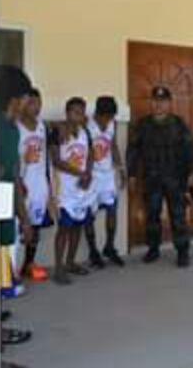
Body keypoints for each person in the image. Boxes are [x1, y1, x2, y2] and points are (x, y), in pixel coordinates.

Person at [126, 86, 193, 268]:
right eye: (156, 101)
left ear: (169, 103)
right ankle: (153, 248)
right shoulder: (143, 125)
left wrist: (191, 173)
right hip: (152, 178)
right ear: (152, 103)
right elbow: (133, 150)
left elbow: (189, 150)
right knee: (152, 215)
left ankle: (182, 251)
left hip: (176, 178)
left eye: (163, 101)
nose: (159, 105)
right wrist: (131, 174)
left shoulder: (179, 124)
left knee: (178, 215)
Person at [0, 65, 33, 349]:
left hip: (6, 216)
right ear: (15, 99)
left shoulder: (12, 130)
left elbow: (14, 176)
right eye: (26, 99)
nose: (28, 104)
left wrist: (25, 219)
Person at [51, 97, 96, 284]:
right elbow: (56, 160)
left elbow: (91, 154)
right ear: (67, 113)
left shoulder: (85, 132)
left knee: (78, 225)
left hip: (82, 188)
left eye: (82, 112)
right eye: (75, 112)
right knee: (64, 228)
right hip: (65, 189)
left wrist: (88, 173)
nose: (79, 116)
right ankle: (58, 268)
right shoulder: (58, 131)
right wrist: (80, 173)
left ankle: (70, 262)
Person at [84, 96, 127, 268]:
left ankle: (109, 246)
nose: (109, 120)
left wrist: (121, 169)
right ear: (98, 114)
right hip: (92, 175)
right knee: (89, 215)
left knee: (112, 209)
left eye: (111, 117)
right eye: (106, 117)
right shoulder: (87, 126)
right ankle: (93, 251)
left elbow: (113, 146)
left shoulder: (112, 124)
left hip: (107, 174)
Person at [17, 88, 54, 282]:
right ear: (23, 104)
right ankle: (11, 268)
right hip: (21, 184)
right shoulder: (15, 127)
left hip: (39, 185)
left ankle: (28, 264)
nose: (37, 107)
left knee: (35, 226)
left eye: (39, 103)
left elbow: (47, 157)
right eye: (32, 103)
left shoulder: (42, 127)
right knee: (18, 225)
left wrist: (49, 184)